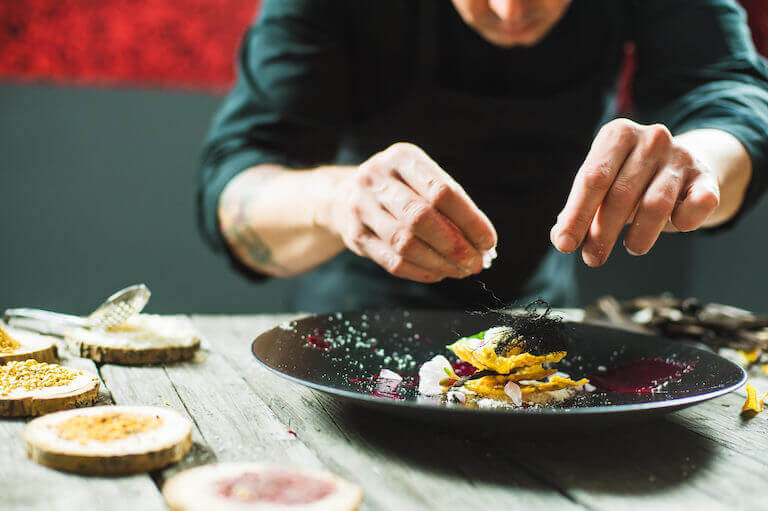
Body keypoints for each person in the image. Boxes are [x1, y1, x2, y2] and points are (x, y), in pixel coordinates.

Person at [198, 0, 768, 312]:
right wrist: (338, 199)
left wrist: (696, 161)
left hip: (540, 310)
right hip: (352, 311)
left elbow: (731, 98)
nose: (510, 11)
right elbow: (236, 181)